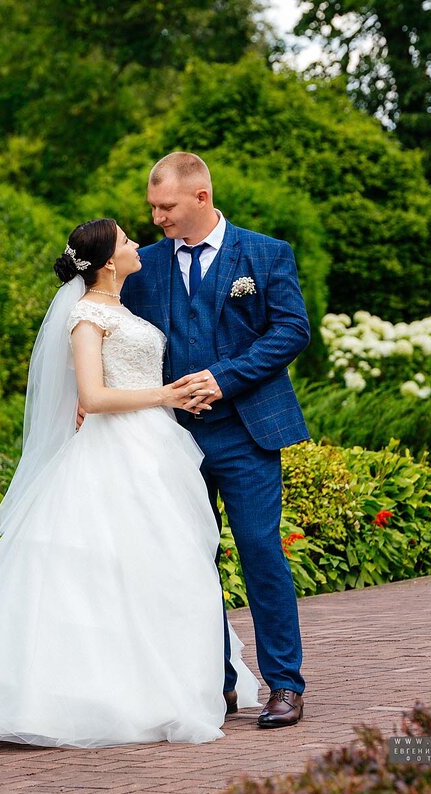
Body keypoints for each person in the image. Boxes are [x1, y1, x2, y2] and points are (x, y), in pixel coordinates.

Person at [0, 218, 261, 748]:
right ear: (107, 262)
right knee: (99, 574)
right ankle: (89, 696)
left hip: (155, 448)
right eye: (126, 241)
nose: (135, 246)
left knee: (160, 568)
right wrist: (166, 396)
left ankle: (159, 684)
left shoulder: (124, 309)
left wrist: (171, 398)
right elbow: (95, 396)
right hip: (116, 450)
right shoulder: (86, 315)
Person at [121, 152, 311, 728]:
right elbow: (120, 336)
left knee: (260, 551)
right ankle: (212, 684)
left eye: (166, 206)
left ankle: (285, 685)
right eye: (152, 207)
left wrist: (222, 379)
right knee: (190, 561)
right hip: (172, 438)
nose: (156, 217)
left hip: (247, 433)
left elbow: (292, 330)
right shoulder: (144, 267)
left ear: (201, 198)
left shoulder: (265, 254)